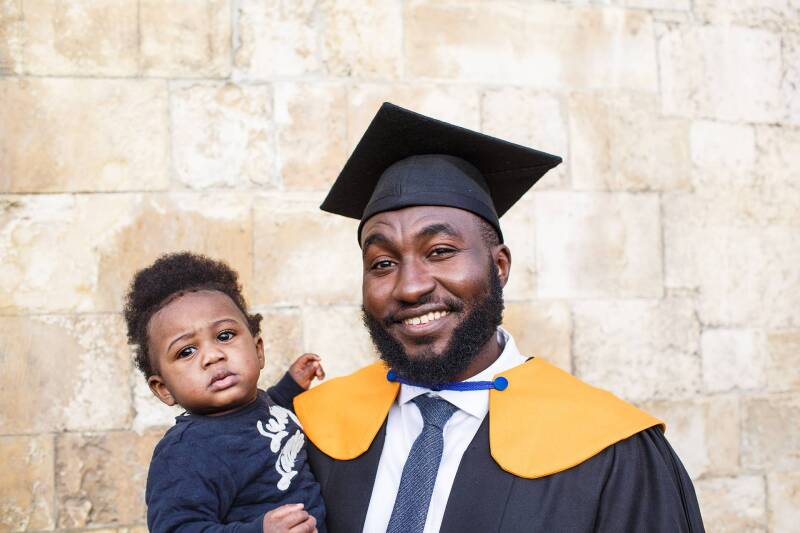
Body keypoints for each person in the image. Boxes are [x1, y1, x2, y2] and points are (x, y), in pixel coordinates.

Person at [293, 103, 705, 532]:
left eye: (440, 252)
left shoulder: (611, 448)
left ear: (500, 266)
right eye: (382, 263)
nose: (410, 287)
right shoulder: (313, 427)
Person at [123, 252, 326, 533]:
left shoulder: (257, 404)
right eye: (187, 351)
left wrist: (291, 385)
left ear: (258, 351)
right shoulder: (186, 453)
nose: (213, 355)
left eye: (225, 336)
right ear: (164, 388)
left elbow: (266, 417)